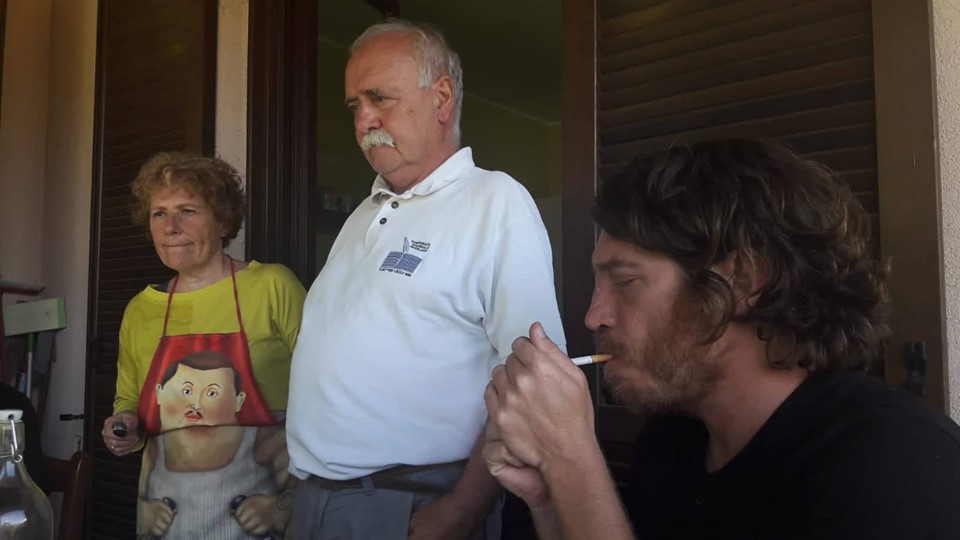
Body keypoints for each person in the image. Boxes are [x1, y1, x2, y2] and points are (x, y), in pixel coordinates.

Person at [483, 139, 960, 539]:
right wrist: (551, 498)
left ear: (742, 282)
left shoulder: (895, 467)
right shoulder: (674, 440)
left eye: (625, 282)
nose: (592, 316)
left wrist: (571, 457)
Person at [285, 18, 565, 540]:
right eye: (354, 106)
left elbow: (534, 377)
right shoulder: (361, 217)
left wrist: (463, 510)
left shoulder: (494, 201)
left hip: (411, 505)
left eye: (379, 98)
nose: (365, 119)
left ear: (441, 97)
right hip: (313, 502)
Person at [100, 152, 306, 539]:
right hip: (166, 520)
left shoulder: (271, 286)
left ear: (224, 220)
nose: (171, 226)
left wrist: (282, 505)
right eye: (159, 213)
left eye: (187, 210)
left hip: (262, 518)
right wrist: (123, 426)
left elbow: (328, 387)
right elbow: (128, 401)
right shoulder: (140, 310)